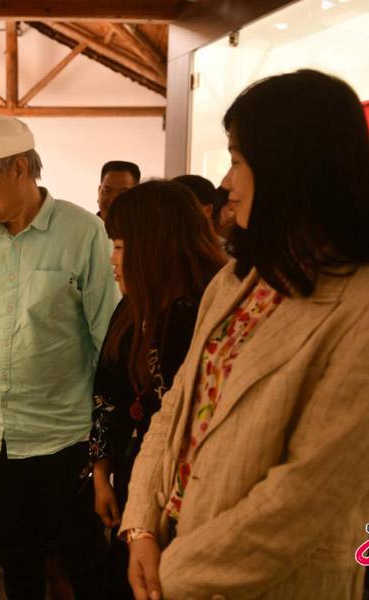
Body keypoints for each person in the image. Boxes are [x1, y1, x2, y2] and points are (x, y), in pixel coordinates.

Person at [121, 70, 369, 600]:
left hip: (269, 580)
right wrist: (142, 528)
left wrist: (173, 575)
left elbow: (313, 492)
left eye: (239, 160)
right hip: (174, 547)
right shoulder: (236, 280)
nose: (227, 183)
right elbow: (178, 407)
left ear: (292, 168)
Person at [0, 114, 120, 599]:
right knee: (14, 555)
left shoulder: (84, 233)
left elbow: (107, 336)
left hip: (62, 435)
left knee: (82, 556)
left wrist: (102, 435)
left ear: (20, 167)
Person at [90, 180, 227, 600]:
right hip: (134, 482)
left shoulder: (204, 316)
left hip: (187, 502)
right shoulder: (133, 306)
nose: (112, 259)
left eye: (120, 246)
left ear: (155, 247)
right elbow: (106, 394)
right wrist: (101, 476)